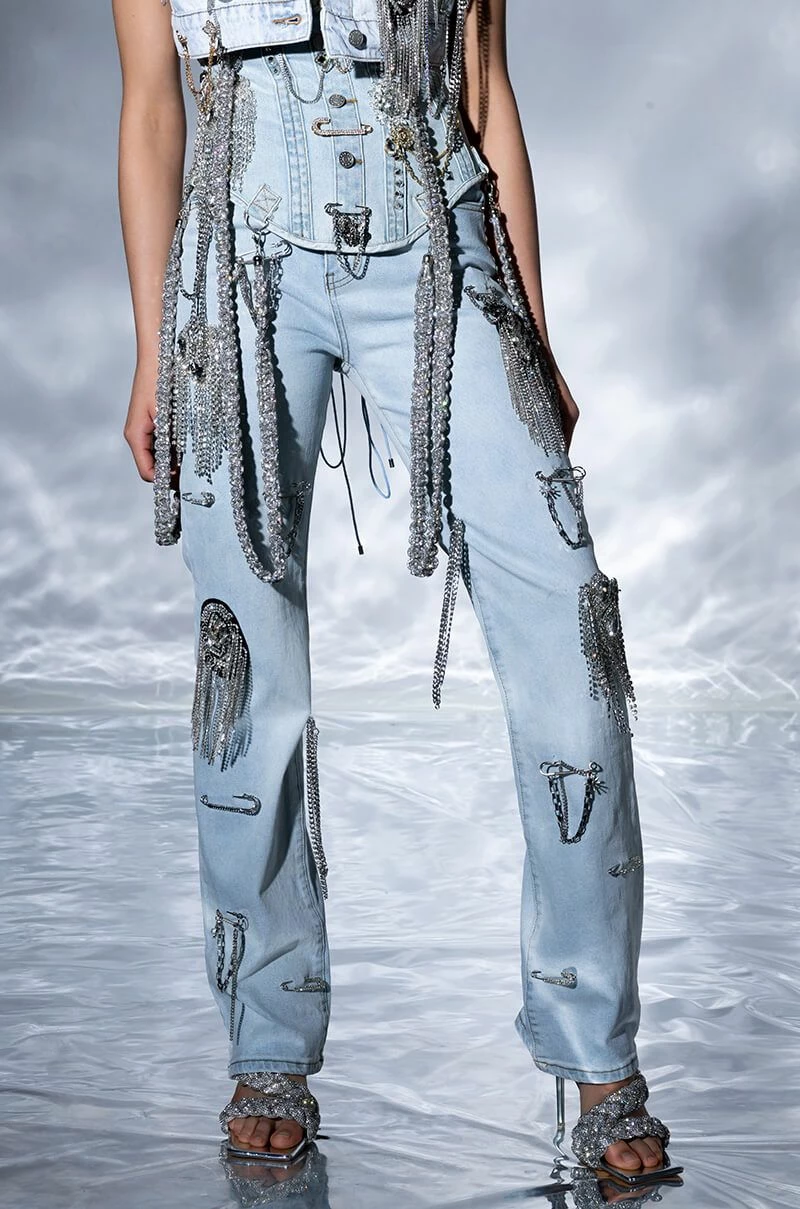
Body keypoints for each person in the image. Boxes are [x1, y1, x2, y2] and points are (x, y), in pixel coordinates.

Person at [112, 0, 676, 1181]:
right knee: (243, 664)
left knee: (570, 629)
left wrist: (534, 333)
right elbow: (153, 105)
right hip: (234, 255)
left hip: (439, 244)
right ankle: (267, 1042)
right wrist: (151, 343)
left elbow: (484, 89)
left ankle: (595, 1051)